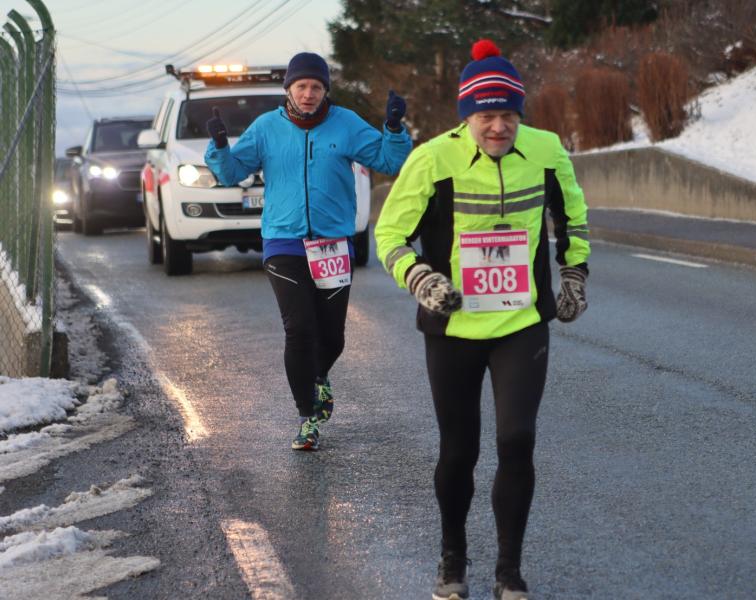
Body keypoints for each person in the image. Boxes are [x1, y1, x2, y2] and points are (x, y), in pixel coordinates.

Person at [374, 39, 590, 600]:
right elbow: (390, 236)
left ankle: (509, 570)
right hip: (453, 327)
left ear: (522, 115)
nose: (499, 128)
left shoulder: (546, 150)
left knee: (517, 439)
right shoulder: (431, 158)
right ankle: (452, 558)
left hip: (521, 323)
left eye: (509, 116)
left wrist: (574, 275)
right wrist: (421, 279)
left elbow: (573, 217)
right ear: (467, 116)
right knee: (458, 450)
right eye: (487, 116)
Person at [205, 52, 413, 451]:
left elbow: (391, 160)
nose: (308, 94)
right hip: (284, 241)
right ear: (289, 89)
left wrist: (393, 127)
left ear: (325, 91)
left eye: (316, 87)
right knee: (299, 328)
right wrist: (219, 147)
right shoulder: (266, 127)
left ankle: (317, 378)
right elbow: (231, 173)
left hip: (333, 242)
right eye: (301, 86)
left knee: (332, 337)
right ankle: (306, 417)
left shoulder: (347, 123)